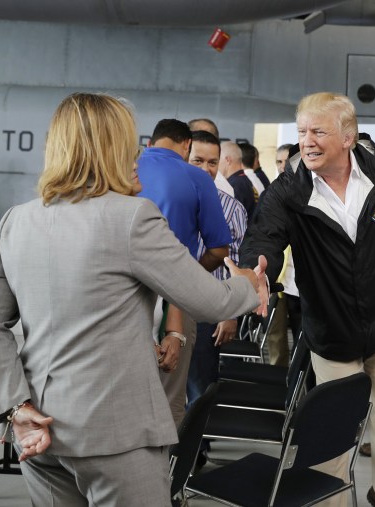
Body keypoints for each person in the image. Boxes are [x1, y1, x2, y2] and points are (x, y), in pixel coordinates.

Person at [0, 92, 265, 507]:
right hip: (116, 435)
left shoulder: (19, 220)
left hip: (40, 430)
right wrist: (252, 284)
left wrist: (15, 403)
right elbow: (210, 301)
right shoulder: (132, 218)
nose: (138, 152)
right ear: (112, 148)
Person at [239, 92, 375, 507]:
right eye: (301, 132)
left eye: (318, 132)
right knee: (333, 419)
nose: (306, 141)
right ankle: (327, 500)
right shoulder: (290, 188)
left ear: (348, 137)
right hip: (330, 326)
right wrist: (255, 269)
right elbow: (265, 235)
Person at [138, 118, 232, 426]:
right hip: (173, 298)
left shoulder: (124, 170)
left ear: (150, 144)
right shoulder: (196, 178)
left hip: (121, 294)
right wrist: (189, 273)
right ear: (186, 145)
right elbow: (219, 249)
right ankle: (166, 472)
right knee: (169, 399)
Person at [187, 130, 249, 405]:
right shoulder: (161, 200)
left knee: (200, 389)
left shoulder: (232, 208)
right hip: (162, 308)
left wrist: (229, 313)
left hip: (206, 309)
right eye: (197, 160)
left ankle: (197, 446)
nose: (206, 169)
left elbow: (234, 261)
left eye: (212, 162)